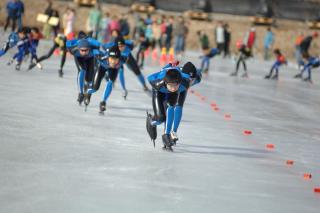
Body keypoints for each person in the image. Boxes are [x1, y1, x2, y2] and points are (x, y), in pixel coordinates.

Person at [146, 62, 190, 150]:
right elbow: (150, 77)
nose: (173, 88)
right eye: (171, 85)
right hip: (158, 91)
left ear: (179, 83)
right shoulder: (158, 83)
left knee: (170, 109)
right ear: (166, 83)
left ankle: (167, 135)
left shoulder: (184, 83)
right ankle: (150, 121)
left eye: (176, 85)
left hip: (171, 93)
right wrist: (168, 66)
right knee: (160, 118)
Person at [67, 36, 101, 106]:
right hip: (79, 58)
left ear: (89, 49)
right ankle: (80, 93)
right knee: (81, 70)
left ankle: (88, 92)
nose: (84, 52)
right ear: (78, 49)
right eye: (82, 50)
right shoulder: (73, 49)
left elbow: (99, 62)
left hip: (90, 59)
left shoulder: (95, 47)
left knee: (90, 78)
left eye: (86, 50)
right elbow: (67, 42)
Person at [87, 46, 122, 113]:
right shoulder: (101, 57)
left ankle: (103, 102)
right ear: (108, 57)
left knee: (111, 82)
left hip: (113, 69)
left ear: (119, 59)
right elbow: (93, 50)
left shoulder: (122, 59)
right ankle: (88, 93)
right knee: (95, 88)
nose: (113, 61)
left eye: (116, 59)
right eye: (111, 59)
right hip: (101, 67)